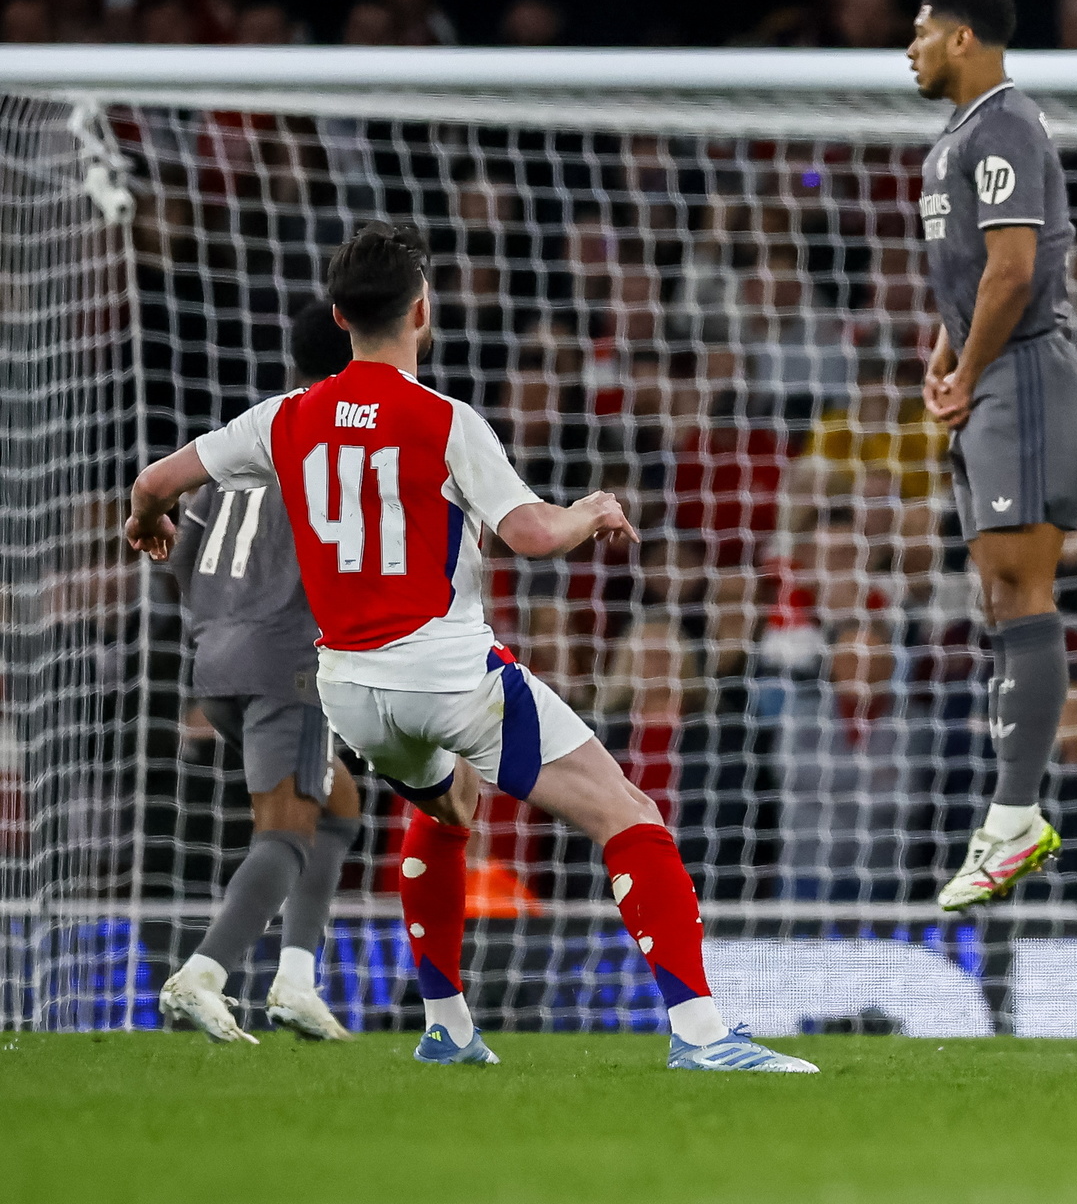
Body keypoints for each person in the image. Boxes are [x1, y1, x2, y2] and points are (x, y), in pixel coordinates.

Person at [123, 223, 815, 1074]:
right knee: (627, 813)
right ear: (424, 310)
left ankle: (447, 1027)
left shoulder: (282, 419)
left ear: (339, 316)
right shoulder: (444, 421)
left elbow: (155, 483)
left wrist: (145, 521)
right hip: (445, 672)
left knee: (450, 805)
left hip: (346, 689)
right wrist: (591, 511)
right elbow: (528, 534)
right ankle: (705, 1036)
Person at [906, 0, 1077, 911]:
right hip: (993, 377)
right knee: (999, 590)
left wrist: (971, 371)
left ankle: (1018, 817)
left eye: (923, 31)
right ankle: (1011, 814)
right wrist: (946, 358)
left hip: (1023, 374)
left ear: (964, 38)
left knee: (1022, 587)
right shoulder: (957, 142)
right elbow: (970, 276)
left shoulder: (1007, 126)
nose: (911, 47)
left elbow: (1014, 274)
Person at [146, 295, 365, 1045]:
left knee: (339, 808)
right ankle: (202, 974)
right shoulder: (332, 450)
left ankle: (296, 983)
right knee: (286, 836)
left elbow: (177, 552)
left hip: (217, 662)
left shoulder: (242, 444)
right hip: (287, 665)